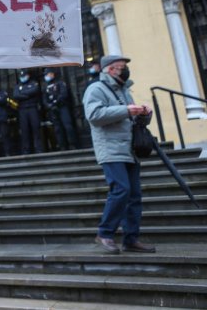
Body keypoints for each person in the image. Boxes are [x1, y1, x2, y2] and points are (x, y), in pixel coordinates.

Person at [83, 55, 156, 254]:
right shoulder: (95, 89)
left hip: (129, 149)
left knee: (134, 195)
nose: (123, 70)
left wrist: (143, 114)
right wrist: (125, 110)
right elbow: (94, 115)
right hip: (110, 149)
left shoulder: (124, 91)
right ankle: (104, 233)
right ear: (108, 69)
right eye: (119, 67)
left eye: (124, 67)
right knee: (121, 190)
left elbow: (129, 120)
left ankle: (131, 239)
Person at [43, 68, 78, 150]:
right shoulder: (46, 87)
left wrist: (55, 102)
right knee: (58, 128)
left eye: (47, 74)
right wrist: (49, 105)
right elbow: (45, 99)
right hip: (53, 109)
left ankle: (73, 144)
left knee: (67, 126)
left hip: (62, 107)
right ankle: (62, 145)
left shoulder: (60, 83)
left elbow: (64, 94)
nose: (46, 76)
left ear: (52, 74)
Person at [13, 69, 43, 154]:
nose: (22, 78)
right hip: (22, 109)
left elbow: (34, 90)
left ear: (28, 75)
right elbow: (16, 95)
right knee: (24, 130)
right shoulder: (17, 86)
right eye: (21, 76)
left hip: (32, 108)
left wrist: (22, 94)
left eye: (24, 76)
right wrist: (27, 95)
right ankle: (26, 150)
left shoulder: (33, 83)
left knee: (36, 128)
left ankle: (38, 149)